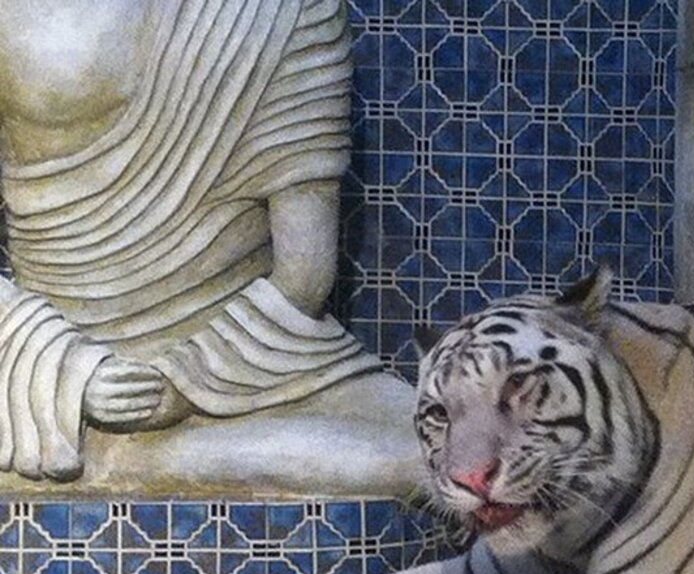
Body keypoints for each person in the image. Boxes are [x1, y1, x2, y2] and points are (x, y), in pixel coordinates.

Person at [0, 0, 397, 483]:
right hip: (42, 385)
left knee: (451, 451)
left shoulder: (285, 10)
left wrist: (185, 384)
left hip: (258, 367)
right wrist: (68, 370)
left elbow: (305, 277)